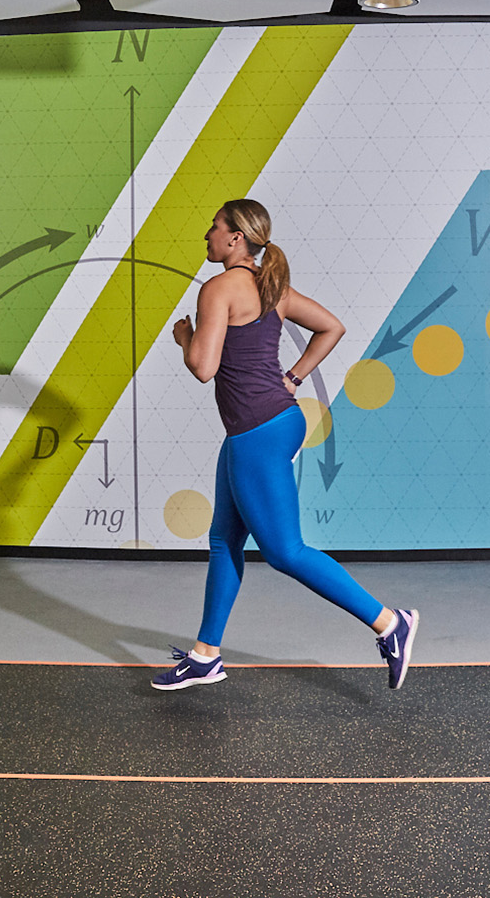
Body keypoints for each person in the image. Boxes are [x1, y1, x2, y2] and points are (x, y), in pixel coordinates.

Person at [151, 198, 419, 692]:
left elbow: (203, 368)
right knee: (224, 541)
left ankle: (389, 622)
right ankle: (205, 656)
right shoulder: (270, 286)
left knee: (284, 551)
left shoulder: (218, 289)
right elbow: (332, 326)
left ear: (235, 237)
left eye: (214, 227)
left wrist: (185, 337)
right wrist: (292, 377)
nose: (207, 235)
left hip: (257, 429)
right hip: (267, 424)